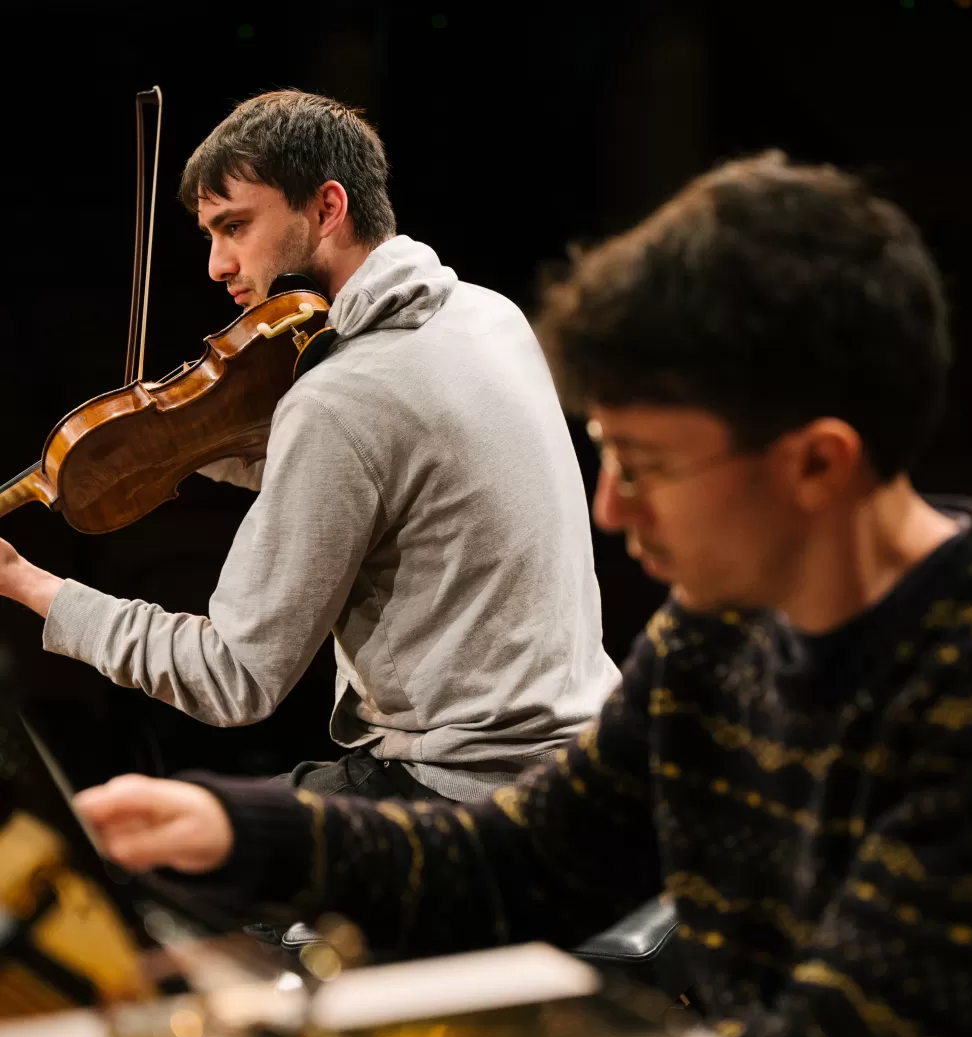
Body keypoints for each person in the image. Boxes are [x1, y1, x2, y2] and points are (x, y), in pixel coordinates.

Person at [76, 151, 972, 1037]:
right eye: (604, 455)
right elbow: (527, 861)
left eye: (645, 467)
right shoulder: (714, 639)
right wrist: (239, 828)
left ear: (816, 464)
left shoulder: (967, 686)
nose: (609, 508)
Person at [0, 90, 619, 805]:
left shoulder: (340, 400)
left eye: (234, 227)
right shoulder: (490, 315)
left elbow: (232, 675)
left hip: (457, 794)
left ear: (327, 207)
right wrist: (179, 443)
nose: (216, 265)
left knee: (142, 864)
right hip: (582, 764)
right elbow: (384, 472)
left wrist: (28, 585)